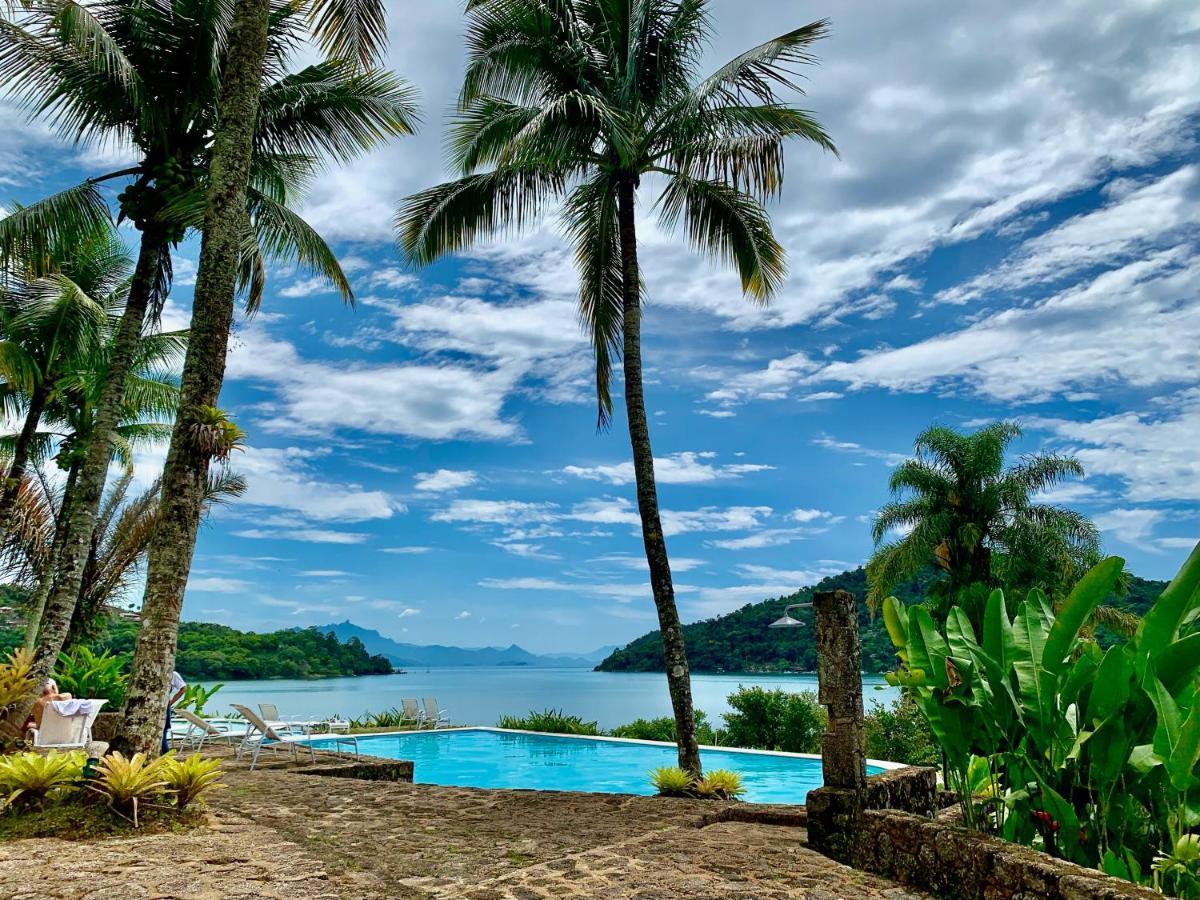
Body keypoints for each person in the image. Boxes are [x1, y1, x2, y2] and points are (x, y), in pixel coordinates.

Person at [163, 671, 186, 755]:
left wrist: (172, 701)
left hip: (165, 706)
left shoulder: (172, 674)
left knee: (164, 730)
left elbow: (183, 688)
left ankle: (165, 756)